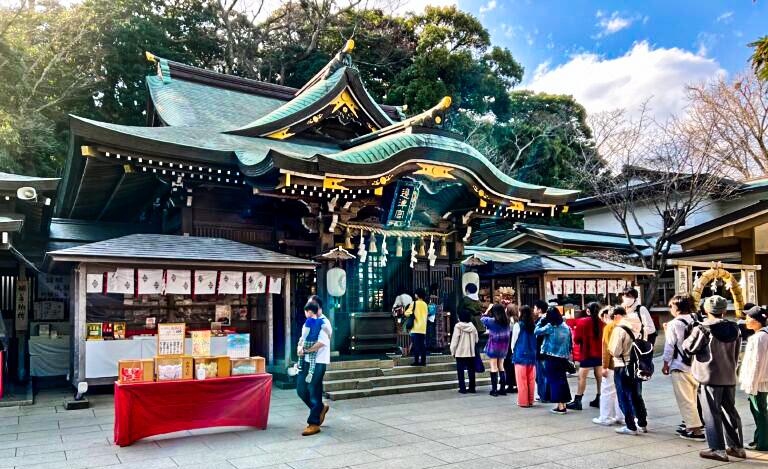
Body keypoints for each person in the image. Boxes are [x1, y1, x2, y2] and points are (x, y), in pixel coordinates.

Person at [684, 295, 745, 462]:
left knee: (711, 413)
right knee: (730, 412)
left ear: (706, 310)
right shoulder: (735, 328)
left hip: (709, 377)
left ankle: (717, 449)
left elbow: (689, 347)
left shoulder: (703, 328)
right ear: (724, 310)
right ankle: (737, 447)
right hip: (729, 375)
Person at [662, 294, 705, 441]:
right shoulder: (697, 319)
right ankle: (691, 426)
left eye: (671, 306)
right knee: (692, 398)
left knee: (685, 400)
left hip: (680, 365)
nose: (670, 309)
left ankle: (696, 431)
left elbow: (669, 346)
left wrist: (665, 363)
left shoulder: (674, 323)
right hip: (696, 365)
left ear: (677, 307)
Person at [608, 306, 649, 435]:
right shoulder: (640, 327)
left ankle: (631, 426)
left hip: (623, 366)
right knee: (637, 396)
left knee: (624, 397)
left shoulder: (619, 329)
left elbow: (615, 351)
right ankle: (642, 423)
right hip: (637, 366)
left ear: (616, 317)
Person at [296, 300, 332, 436]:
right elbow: (302, 338)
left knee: (314, 390)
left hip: (318, 362)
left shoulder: (324, 321)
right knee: (300, 389)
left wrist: (305, 350)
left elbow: (321, 343)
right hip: (305, 361)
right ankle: (320, 408)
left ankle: (314, 423)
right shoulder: (309, 320)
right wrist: (299, 348)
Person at [535, 306, 573, 414]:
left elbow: (536, 331)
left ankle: (561, 407)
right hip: (563, 357)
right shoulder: (566, 327)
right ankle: (563, 404)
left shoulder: (550, 326)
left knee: (555, 381)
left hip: (551, 357)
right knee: (562, 380)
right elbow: (570, 344)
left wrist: (541, 320)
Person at [740, 307, 768, 451]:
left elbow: (757, 362)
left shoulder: (759, 337)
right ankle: (759, 439)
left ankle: (762, 443)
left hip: (758, 382)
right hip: (761, 381)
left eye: (748, 317)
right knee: (760, 411)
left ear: (757, 321)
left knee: (759, 412)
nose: (746, 320)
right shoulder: (763, 335)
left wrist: (751, 384)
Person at [568, 302, 604, 410]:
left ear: (588, 311)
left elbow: (577, 340)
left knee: (582, 377)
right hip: (600, 353)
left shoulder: (582, 322)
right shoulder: (602, 322)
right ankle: (600, 399)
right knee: (599, 377)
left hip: (587, 353)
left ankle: (578, 401)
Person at [593, 306, 624, 426]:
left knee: (607, 391)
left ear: (607, 316)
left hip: (612, 365)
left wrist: (604, 367)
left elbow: (606, 349)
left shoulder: (609, 327)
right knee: (619, 391)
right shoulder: (626, 326)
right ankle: (621, 416)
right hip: (623, 364)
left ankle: (605, 417)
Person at [482, 304, 511, 396]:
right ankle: (502, 389)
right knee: (501, 367)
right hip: (504, 347)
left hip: (494, 347)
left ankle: (494, 390)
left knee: (494, 367)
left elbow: (482, 319)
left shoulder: (492, 321)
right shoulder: (507, 321)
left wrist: (487, 310)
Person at [512, 305, 538, 407]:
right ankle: (531, 400)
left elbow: (514, 342)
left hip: (520, 355)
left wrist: (513, 351)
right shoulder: (534, 325)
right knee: (531, 380)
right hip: (532, 354)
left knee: (521, 380)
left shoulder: (518, 325)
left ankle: (523, 401)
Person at [451, 309, 479, 394]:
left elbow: (455, 340)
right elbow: (477, 340)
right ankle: (472, 387)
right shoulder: (472, 326)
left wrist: (453, 351)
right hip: (470, 353)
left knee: (460, 371)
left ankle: (462, 388)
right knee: (471, 370)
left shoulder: (458, 326)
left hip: (460, 353)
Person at [299, 303, 324, 383]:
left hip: (308, 341)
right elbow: (325, 329)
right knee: (313, 359)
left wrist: (302, 340)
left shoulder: (309, 320)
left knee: (301, 352)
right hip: (315, 342)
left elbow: (306, 332)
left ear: (309, 312)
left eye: (305, 312)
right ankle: (311, 372)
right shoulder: (320, 321)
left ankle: (300, 365)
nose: (305, 314)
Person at [405, 288, 428, 366]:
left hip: (415, 328)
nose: (415, 295)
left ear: (417, 295)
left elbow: (407, 313)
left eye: (415, 294)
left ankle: (416, 361)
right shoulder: (425, 304)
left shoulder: (414, 303)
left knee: (416, 345)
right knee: (422, 345)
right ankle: (423, 361)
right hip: (423, 328)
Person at [532, 300, 550, 402]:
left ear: (539, 309)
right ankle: (545, 394)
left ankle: (544, 396)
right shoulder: (547, 319)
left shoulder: (542, 320)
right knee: (544, 374)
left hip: (541, 350)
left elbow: (538, 335)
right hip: (545, 351)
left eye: (535, 308)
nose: (534, 310)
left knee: (541, 375)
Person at [504, 303, 519, 393]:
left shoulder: (507, 321)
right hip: (516, 346)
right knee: (514, 366)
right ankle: (516, 384)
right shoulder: (518, 320)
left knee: (508, 366)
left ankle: (510, 385)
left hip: (507, 346)